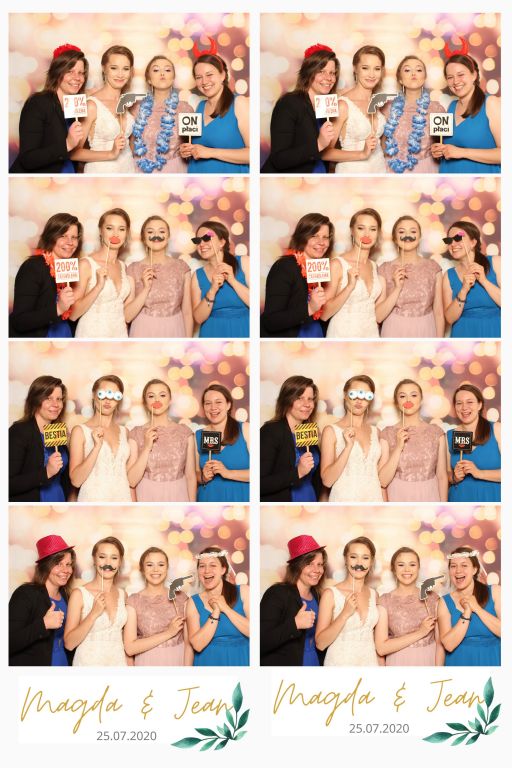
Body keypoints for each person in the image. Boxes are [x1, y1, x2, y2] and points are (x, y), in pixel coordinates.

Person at [10, 44, 87, 174]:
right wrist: (67, 144)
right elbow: (28, 159)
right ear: (57, 73)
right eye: (70, 71)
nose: (77, 78)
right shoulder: (38, 103)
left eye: (81, 73)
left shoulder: (75, 107)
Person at [261, 45, 338, 173]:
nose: (329, 78)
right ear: (308, 72)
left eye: (332, 73)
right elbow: (279, 159)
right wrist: (319, 144)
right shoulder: (289, 103)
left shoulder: (326, 107)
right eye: (321, 71)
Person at [260, 212, 334, 338]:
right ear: (302, 237)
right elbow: (271, 321)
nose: (321, 242)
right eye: (314, 236)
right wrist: (310, 308)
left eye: (325, 237)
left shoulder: (321, 269)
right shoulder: (284, 267)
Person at [179, 43, 249, 173]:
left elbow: (252, 154)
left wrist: (210, 152)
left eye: (209, 75)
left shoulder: (239, 103)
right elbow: (199, 148)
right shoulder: (199, 106)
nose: (204, 81)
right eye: (199, 77)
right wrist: (188, 150)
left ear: (223, 75)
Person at [10, 213, 82, 338]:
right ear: (51, 237)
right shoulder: (32, 267)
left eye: (74, 237)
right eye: (63, 236)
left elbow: (71, 316)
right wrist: (59, 308)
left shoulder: (69, 269)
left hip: (65, 337)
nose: (70, 242)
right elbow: (20, 321)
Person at [260, 535, 327, 666]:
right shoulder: (277, 593)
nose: (317, 570)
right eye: (309, 564)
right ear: (296, 566)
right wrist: (295, 624)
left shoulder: (319, 596)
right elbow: (261, 641)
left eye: (319, 564)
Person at [9, 535, 76, 666]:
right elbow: (9, 642)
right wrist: (43, 624)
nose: (65, 570)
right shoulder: (25, 594)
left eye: (68, 564)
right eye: (58, 564)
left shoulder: (67, 596)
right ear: (45, 566)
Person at [321, 208, 387, 338]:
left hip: (371, 336)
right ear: (352, 230)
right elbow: (324, 314)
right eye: (361, 228)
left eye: (373, 229)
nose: (367, 234)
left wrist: (397, 288)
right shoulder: (336, 264)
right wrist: (349, 287)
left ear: (378, 233)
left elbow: (377, 314)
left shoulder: (374, 266)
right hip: (342, 336)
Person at [431, 52, 500, 173]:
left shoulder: (491, 103)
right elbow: (450, 147)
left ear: (474, 75)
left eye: (461, 74)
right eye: (450, 77)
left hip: (480, 180)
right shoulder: (451, 107)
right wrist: (439, 150)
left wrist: (462, 152)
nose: (455, 81)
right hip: (448, 177)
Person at [379, 379, 448, 501]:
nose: (408, 400)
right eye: (402, 396)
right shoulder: (387, 433)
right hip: (398, 497)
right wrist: (398, 447)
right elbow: (383, 481)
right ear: (396, 402)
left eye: (414, 395)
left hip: (430, 496)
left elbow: (442, 476)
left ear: (421, 400)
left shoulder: (436, 433)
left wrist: (443, 505)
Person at [128, 379, 196, 502]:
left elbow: (191, 477)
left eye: (162, 395)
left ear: (170, 400)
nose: (157, 400)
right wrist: (147, 447)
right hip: (147, 496)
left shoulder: (185, 433)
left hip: (178, 495)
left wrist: (192, 505)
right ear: (145, 402)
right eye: (151, 396)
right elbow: (131, 481)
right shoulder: (136, 433)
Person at [70, 45, 135, 173]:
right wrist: (110, 153)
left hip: (128, 172)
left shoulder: (128, 103)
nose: (120, 74)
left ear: (131, 71)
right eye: (114, 68)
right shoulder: (91, 105)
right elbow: (74, 153)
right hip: (101, 174)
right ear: (104, 69)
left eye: (125, 69)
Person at [71, 208, 134, 338]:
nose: (115, 234)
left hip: (120, 336)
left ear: (127, 233)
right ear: (100, 231)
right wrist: (98, 286)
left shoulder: (123, 267)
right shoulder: (85, 264)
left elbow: (126, 314)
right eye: (109, 228)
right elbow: (72, 314)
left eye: (121, 229)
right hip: (91, 336)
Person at [316, 537, 379, 666]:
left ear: (371, 561)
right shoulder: (330, 594)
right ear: (345, 559)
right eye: (353, 557)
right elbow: (320, 644)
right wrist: (344, 614)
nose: (359, 562)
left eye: (365, 558)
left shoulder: (374, 595)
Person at [124, 547, 193, 666]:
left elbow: (189, 643)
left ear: (167, 568)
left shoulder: (181, 598)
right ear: (142, 569)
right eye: (150, 565)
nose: (155, 569)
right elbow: (130, 648)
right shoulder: (133, 601)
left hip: (179, 660)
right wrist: (169, 633)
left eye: (161, 565)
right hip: (148, 662)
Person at [322, 46, 387, 173]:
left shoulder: (378, 103)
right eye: (365, 68)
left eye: (377, 69)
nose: (372, 74)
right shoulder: (342, 105)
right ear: (355, 69)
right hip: (352, 175)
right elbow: (325, 153)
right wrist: (362, 154)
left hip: (379, 172)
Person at [69, 375, 134, 502]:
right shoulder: (80, 431)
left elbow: (128, 478)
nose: (108, 400)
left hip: (123, 500)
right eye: (103, 394)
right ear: (94, 395)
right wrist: (96, 447)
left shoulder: (124, 432)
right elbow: (76, 481)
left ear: (119, 399)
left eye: (114, 396)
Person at [375, 547, 444, 666]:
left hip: (429, 660)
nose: (407, 569)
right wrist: (421, 632)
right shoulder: (385, 601)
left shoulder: (433, 598)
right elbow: (381, 648)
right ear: (393, 569)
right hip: (399, 662)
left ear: (418, 568)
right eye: (401, 565)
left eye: (412, 565)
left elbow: (440, 643)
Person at [64, 537, 127, 666]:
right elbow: (69, 644)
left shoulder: (123, 595)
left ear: (120, 561)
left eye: (114, 558)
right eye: (102, 557)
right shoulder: (79, 594)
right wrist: (93, 614)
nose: (108, 562)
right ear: (94, 559)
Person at [320, 376, 384, 501]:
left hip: (374, 500)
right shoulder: (331, 431)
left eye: (365, 395)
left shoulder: (377, 432)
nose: (359, 400)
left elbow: (381, 481)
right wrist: (348, 447)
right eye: (354, 394)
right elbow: (327, 481)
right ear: (345, 395)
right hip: (344, 501)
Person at [378, 216, 444, 337]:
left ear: (419, 236)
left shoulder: (433, 267)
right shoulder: (384, 269)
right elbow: (378, 316)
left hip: (426, 329)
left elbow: (439, 312)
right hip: (394, 330)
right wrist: (397, 288)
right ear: (395, 238)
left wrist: (439, 341)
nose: (407, 235)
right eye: (402, 232)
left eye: (413, 231)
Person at [127, 216, 193, 338]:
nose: (156, 235)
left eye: (161, 231)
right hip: (143, 330)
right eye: (150, 232)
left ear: (168, 236)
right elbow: (127, 316)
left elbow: (187, 312)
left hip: (175, 329)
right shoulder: (133, 269)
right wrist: (146, 289)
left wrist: (188, 341)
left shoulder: (182, 267)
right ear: (143, 238)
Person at [9, 376, 70, 502]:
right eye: (48, 398)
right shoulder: (19, 431)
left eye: (59, 399)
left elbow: (65, 478)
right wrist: (46, 472)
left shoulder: (59, 432)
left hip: (59, 501)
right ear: (35, 400)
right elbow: (8, 484)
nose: (55, 404)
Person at [260, 376, 321, 502]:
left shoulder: (310, 432)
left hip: (310, 501)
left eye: (310, 399)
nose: (307, 404)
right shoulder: (271, 431)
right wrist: (298, 472)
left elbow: (317, 478)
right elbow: (259, 483)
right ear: (287, 400)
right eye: (300, 398)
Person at [186, 546, 249, 666]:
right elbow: (197, 645)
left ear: (223, 569)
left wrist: (225, 608)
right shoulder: (193, 602)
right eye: (202, 566)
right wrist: (215, 612)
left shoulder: (244, 591)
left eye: (213, 565)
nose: (206, 571)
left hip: (240, 661)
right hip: (208, 663)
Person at [437, 546, 500, 665]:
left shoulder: (495, 591)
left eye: (464, 565)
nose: (458, 570)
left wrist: (477, 608)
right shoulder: (444, 602)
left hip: (492, 660)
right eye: (453, 566)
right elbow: (448, 645)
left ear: (475, 569)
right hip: (459, 663)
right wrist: (466, 613)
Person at [131, 55, 193, 173]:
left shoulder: (186, 109)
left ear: (173, 78)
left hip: (174, 171)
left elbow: (192, 145)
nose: (162, 73)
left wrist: (188, 151)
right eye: (156, 70)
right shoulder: (136, 109)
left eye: (167, 70)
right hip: (141, 170)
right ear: (149, 79)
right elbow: (130, 146)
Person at [383, 56, 444, 173]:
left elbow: (443, 143)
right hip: (392, 169)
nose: (413, 73)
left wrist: (440, 150)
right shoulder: (387, 108)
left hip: (426, 170)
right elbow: (382, 145)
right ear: (400, 79)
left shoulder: (437, 109)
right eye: (407, 70)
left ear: (424, 77)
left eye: (419, 70)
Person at [442, 220, 500, 338]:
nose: (452, 244)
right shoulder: (448, 276)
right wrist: (463, 290)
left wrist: (484, 281)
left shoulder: (496, 262)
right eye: (449, 240)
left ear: (473, 242)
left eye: (458, 238)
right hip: (464, 332)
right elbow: (449, 319)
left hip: (495, 329)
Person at [191, 220, 249, 338]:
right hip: (212, 332)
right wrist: (212, 290)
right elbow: (198, 318)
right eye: (197, 241)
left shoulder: (244, 262)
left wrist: (232, 281)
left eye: (206, 238)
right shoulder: (197, 276)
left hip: (243, 329)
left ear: (222, 242)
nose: (201, 244)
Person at [446, 384, 500, 502]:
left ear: (479, 405)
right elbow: (446, 474)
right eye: (459, 403)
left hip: (491, 499)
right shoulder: (448, 436)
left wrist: (479, 473)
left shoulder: (497, 429)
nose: (464, 407)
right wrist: (454, 477)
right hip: (459, 499)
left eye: (469, 402)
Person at [195, 384, 249, 502]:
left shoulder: (245, 429)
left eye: (218, 402)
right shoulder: (197, 435)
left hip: (239, 498)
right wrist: (203, 477)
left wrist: (228, 473)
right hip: (208, 498)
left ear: (228, 405)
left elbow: (261, 473)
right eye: (208, 403)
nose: (213, 407)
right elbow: (194, 475)